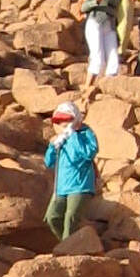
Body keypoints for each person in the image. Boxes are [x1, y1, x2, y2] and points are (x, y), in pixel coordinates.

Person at [43, 101, 100, 242]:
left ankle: (68, 251)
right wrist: (52, 146)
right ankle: (69, 245)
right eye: (60, 121)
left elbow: (88, 153)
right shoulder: (61, 138)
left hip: (80, 185)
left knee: (71, 218)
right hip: (61, 187)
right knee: (52, 217)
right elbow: (49, 163)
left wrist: (73, 135)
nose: (63, 124)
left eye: (66, 120)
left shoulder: (86, 134)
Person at [80, 0, 127, 79]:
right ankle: (87, 88)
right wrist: (97, 0)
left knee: (113, 60)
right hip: (95, 22)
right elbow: (84, 7)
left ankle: (109, 86)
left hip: (110, 26)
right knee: (98, 57)